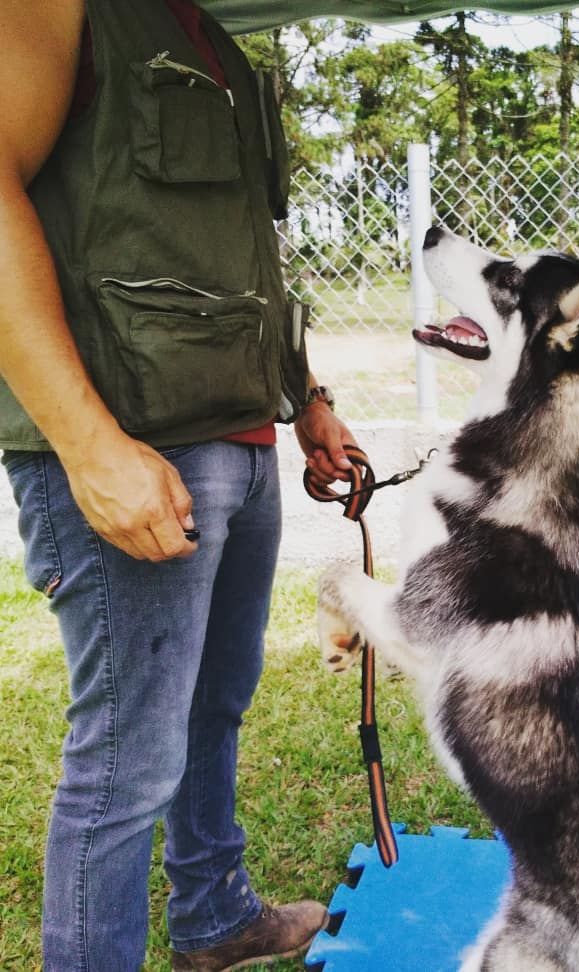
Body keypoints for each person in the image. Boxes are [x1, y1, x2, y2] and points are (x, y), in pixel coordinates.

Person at [0, 1, 357, 968]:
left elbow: (245, 256)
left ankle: (213, 914)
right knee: (126, 766)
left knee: (217, 703)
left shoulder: (214, 39)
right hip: (136, 445)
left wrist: (308, 397)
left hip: (239, 435)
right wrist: (88, 447)